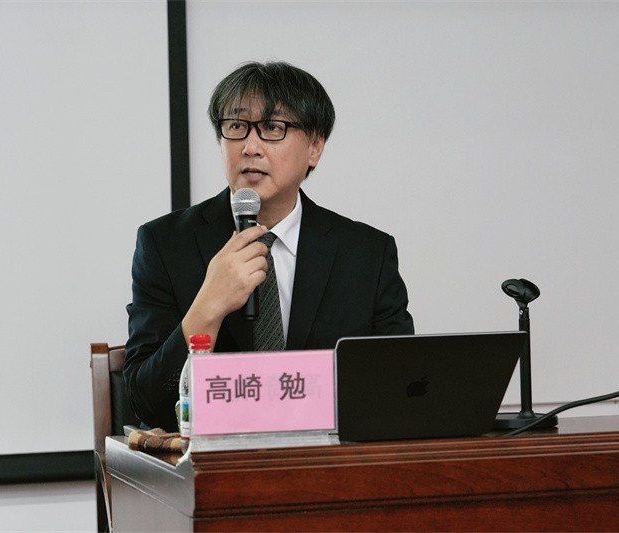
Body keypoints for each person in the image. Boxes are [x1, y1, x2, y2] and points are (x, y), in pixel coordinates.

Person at [124, 61, 414, 431]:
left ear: (314, 147)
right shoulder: (165, 244)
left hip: (328, 458)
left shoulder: (366, 254)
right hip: (218, 459)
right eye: (236, 126)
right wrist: (208, 308)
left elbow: (399, 386)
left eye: (273, 128)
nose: (250, 147)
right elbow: (147, 403)